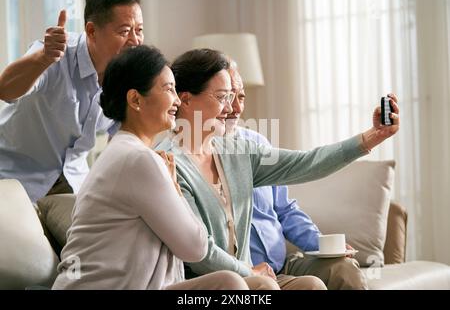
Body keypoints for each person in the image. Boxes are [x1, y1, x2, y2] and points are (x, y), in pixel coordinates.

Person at [52, 45, 252, 290]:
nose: (178, 100)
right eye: (169, 89)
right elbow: (195, 248)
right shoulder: (137, 159)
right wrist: (176, 189)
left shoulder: (129, 152)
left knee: (235, 283)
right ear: (135, 99)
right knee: (231, 284)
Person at [157, 48, 351, 290]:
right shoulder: (168, 161)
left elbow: (306, 163)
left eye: (234, 97)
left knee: (312, 286)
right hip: (207, 282)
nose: (230, 109)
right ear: (185, 100)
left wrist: (369, 139)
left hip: (254, 275)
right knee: (265, 288)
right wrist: (248, 271)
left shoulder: (238, 151)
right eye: (222, 98)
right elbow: (199, 251)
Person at [225, 63, 394, 289]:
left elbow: (285, 209)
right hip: (244, 274)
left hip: (282, 265)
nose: (236, 107)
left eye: (241, 97)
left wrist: (324, 245)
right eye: (226, 97)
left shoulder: (257, 143)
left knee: (343, 269)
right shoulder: (194, 155)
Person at [0, 0, 144, 203]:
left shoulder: (128, 78)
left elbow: (125, 139)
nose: (135, 41)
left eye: (139, 30)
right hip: (14, 178)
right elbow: (5, 89)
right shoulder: (54, 53)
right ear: (92, 31)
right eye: (124, 31)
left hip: (74, 184)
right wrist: (43, 58)